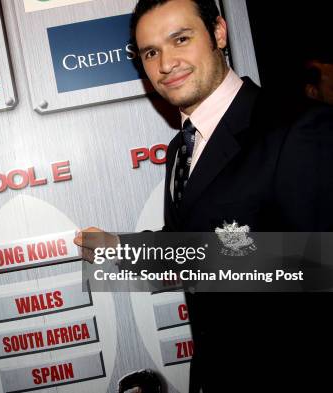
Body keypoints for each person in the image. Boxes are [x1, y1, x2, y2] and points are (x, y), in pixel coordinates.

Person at [75, 0, 333, 391]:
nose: (166, 63)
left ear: (218, 33)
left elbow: (317, 266)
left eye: (181, 39)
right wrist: (117, 247)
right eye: (151, 52)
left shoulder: (298, 125)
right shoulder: (181, 148)